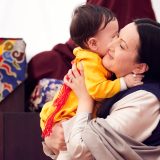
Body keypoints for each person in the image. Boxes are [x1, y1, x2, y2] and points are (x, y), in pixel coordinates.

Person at [44, 18, 160, 160]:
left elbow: (81, 150)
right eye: (116, 36)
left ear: (140, 67)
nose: (111, 45)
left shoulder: (144, 101)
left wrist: (85, 99)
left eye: (122, 46)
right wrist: (51, 137)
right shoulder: (107, 78)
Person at [40, 4, 143, 138]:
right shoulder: (90, 63)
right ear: (93, 44)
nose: (117, 41)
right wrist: (124, 82)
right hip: (68, 120)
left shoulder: (93, 58)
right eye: (114, 36)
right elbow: (97, 91)